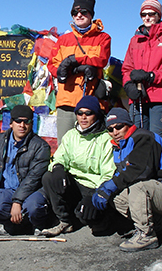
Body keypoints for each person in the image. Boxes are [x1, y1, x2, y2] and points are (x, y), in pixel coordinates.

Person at [91, 108, 162, 252]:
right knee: (116, 197)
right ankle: (159, 225)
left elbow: (140, 172)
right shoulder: (119, 147)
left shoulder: (143, 138)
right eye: (110, 129)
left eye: (119, 126)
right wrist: (103, 190)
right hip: (157, 193)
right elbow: (122, 175)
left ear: (128, 124)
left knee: (138, 186)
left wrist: (109, 186)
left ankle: (146, 235)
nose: (115, 132)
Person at [40, 96, 115, 237]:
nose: (83, 117)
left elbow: (108, 173)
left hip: (94, 186)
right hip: (75, 183)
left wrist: (95, 194)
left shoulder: (105, 139)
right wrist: (58, 168)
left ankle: (100, 219)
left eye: (88, 113)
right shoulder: (71, 135)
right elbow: (60, 156)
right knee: (49, 177)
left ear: (97, 115)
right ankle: (65, 220)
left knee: (91, 220)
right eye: (80, 113)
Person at [47, 0, 111, 144]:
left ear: (91, 14)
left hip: (91, 101)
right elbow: (52, 65)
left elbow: (101, 59)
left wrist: (76, 60)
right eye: (75, 12)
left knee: (92, 146)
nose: (79, 15)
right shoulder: (63, 40)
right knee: (65, 145)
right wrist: (67, 69)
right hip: (66, 101)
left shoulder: (103, 38)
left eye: (84, 12)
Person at [0, 105, 51, 235]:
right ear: (11, 124)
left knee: (33, 207)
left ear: (31, 124)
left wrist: (17, 201)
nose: (22, 125)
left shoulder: (41, 146)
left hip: (33, 190)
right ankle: (12, 223)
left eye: (26, 121)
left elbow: (33, 179)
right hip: (8, 189)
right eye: (18, 121)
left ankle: (37, 223)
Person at [122, 0, 162, 140]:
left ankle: (157, 163)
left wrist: (152, 76)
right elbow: (127, 68)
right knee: (136, 138)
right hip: (138, 96)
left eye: (151, 14)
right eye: (143, 14)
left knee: (156, 140)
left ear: (159, 15)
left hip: (160, 97)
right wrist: (129, 85)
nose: (147, 17)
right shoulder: (135, 40)